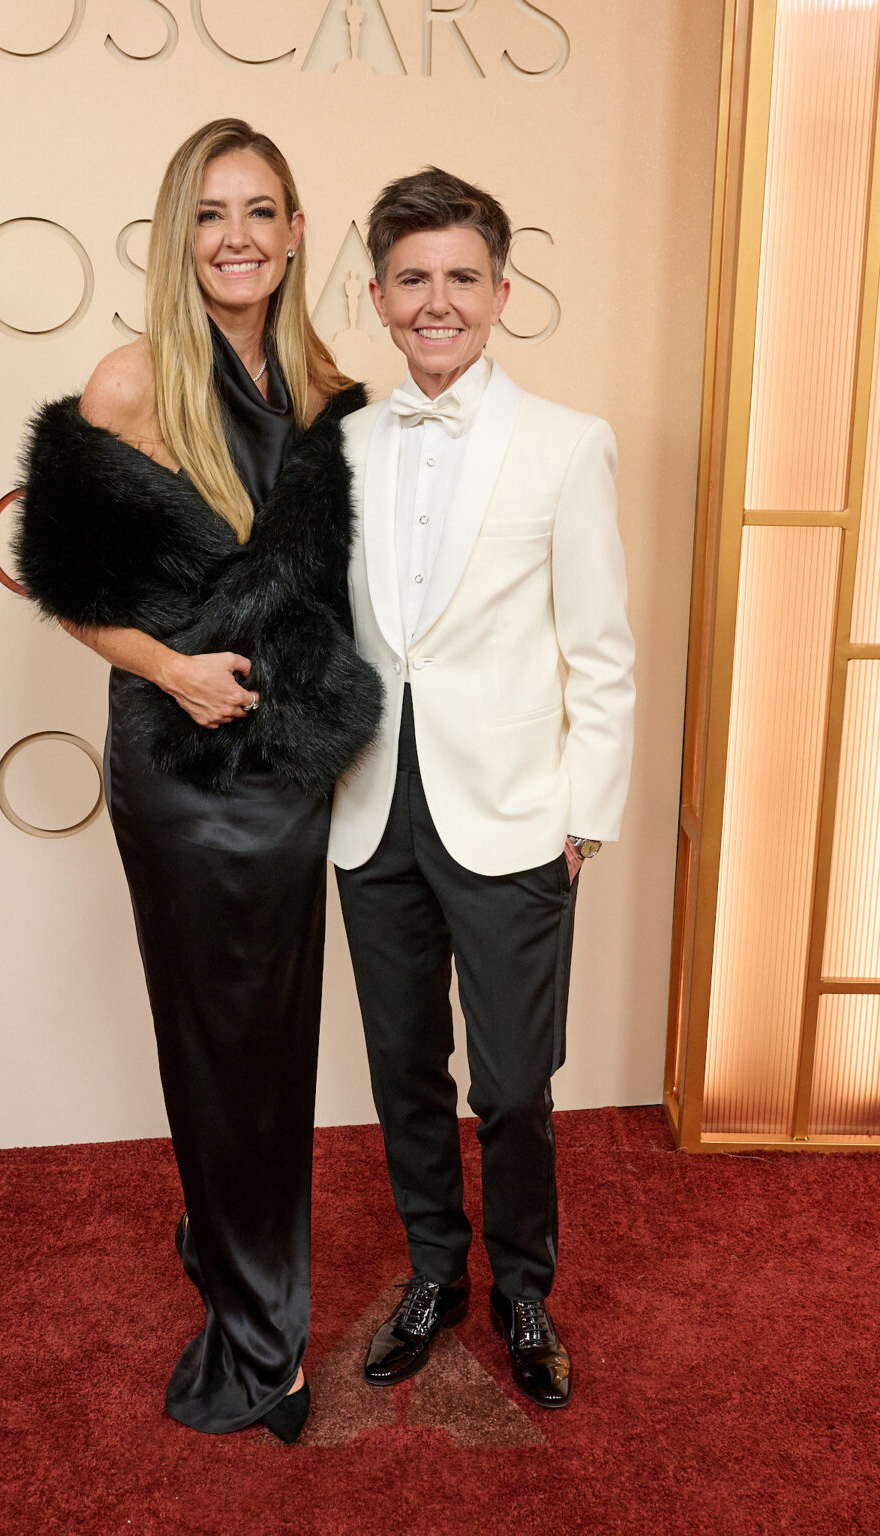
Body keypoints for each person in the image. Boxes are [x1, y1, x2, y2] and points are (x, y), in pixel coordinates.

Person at [13, 119, 380, 1442]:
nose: (235, 235)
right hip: (174, 761)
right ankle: (261, 1332)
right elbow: (66, 593)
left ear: (292, 232)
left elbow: (351, 595)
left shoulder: (332, 396)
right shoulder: (127, 383)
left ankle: (234, 1255)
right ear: (182, 237)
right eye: (211, 213)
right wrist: (172, 672)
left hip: (279, 764)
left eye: (260, 209)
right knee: (208, 1037)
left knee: (270, 1045)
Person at [330, 168, 635, 1409]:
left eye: (463, 276)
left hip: (513, 811)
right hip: (369, 808)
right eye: (415, 279)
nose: (439, 300)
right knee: (404, 1068)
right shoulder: (339, 446)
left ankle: (522, 1288)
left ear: (502, 292)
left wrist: (584, 818)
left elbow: (600, 648)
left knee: (512, 1081)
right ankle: (433, 1273)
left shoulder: (569, 444)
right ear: (380, 298)